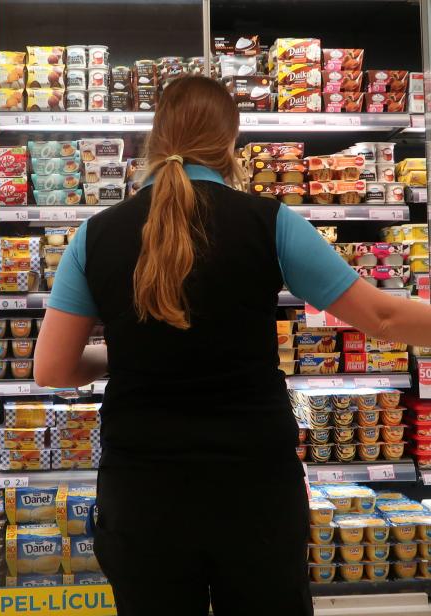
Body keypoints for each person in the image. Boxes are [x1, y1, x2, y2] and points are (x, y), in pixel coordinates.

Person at [34, 75, 431, 616]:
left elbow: (53, 369)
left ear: (154, 137)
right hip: (254, 486)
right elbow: (384, 316)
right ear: (230, 142)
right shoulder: (270, 223)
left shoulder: (96, 233)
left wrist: (130, 356)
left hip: (143, 490)